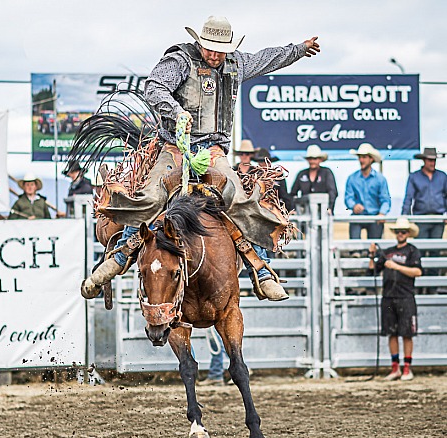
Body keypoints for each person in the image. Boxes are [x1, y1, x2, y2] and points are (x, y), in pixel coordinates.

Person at [81, 15, 320, 302]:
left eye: (220, 49)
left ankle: (262, 270)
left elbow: (267, 58)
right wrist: (176, 111)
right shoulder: (180, 60)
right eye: (210, 48)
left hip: (213, 152)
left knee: (238, 196)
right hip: (175, 148)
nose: (215, 54)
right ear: (200, 42)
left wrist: (298, 49)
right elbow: (155, 88)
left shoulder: (236, 64)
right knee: (153, 194)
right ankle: (121, 254)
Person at [368, 218, 422, 381]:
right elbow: (373, 270)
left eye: (403, 231)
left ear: (408, 233)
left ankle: (407, 368)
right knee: (391, 333)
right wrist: (372, 255)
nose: (400, 234)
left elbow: (418, 272)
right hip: (388, 296)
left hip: (406, 296)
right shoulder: (387, 252)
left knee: (407, 333)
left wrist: (397, 267)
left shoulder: (413, 251)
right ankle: (395, 368)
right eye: (398, 231)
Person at [345, 143, 391, 239]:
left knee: (374, 247)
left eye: (364, 157)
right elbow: (348, 197)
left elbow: (385, 199)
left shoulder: (380, 179)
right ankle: (355, 253)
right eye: (360, 157)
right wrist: (354, 205)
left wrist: (382, 213)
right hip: (358, 216)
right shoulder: (352, 178)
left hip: (375, 216)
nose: (361, 160)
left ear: (371, 159)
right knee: (355, 246)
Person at [401, 147, 447, 239]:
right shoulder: (414, 177)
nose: (432, 163)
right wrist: (404, 217)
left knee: (435, 249)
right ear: (424, 160)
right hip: (420, 218)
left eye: (434, 160)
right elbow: (408, 198)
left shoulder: (442, 176)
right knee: (420, 248)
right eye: (430, 160)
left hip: (438, 218)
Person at [290, 145, 337, 213]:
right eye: (310, 158)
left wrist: (329, 208)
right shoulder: (301, 174)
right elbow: (293, 194)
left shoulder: (326, 172)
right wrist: (293, 209)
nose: (312, 161)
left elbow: (332, 192)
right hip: (305, 212)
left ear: (320, 160)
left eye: (315, 158)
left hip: (323, 212)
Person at [253, 147, 294, 212]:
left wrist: (291, 209)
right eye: (262, 161)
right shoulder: (253, 176)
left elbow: (284, 195)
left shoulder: (278, 176)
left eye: (267, 161)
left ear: (270, 162)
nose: (264, 164)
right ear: (258, 163)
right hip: (257, 208)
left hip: (274, 208)